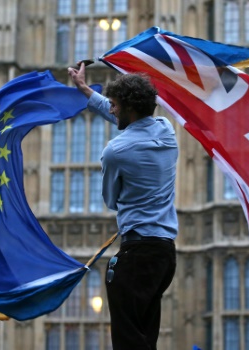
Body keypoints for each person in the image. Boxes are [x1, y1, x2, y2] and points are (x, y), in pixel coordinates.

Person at [68, 62, 178, 350]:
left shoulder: (114, 152)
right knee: (146, 337)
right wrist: (85, 90)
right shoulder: (167, 131)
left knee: (128, 341)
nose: (111, 109)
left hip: (136, 254)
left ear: (127, 108)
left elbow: (110, 200)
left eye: (115, 105)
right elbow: (127, 119)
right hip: (164, 254)